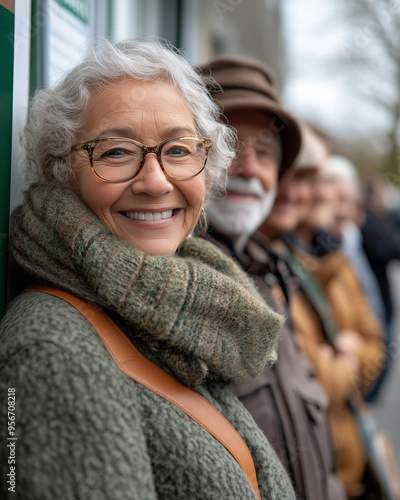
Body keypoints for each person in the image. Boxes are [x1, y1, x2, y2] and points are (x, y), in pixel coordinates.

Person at [0, 40, 296, 500]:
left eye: (179, 150)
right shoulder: (53, 346)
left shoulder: (186, 317)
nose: (156, 181)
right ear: (61, 172)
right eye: (116, 152)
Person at [198, 55, 346, 500]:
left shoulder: (270, 274)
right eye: (228, 146)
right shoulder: (180, 284)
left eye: (264, 153)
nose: (249, 169)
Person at [261, 122, 386, 498]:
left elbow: (376, 344)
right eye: (302, 176)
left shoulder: (334, 259)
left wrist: (349, 358)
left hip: (350, 462)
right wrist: (347, 363)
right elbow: (307, 386)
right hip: (320, 467)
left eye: (320, 177)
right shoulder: (275, 265)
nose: (316, 191)